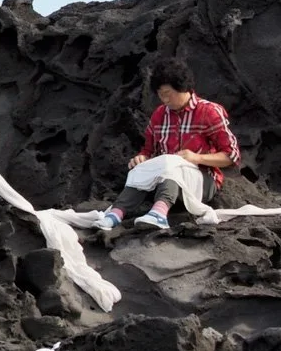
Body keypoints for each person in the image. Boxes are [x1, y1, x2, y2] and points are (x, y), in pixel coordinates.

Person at [94, 57, 241, 232]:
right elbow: (149, 151)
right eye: (160, 95)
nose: (164, 100)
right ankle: (115, 214)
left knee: (172, 166)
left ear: (182, 87)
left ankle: (159, 213)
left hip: (203, 179)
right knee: (143, 168)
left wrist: (196, 157)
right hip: (166, 177)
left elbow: (232, 156)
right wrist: (142, 158)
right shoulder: (160, 115)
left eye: (167, 94)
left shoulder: (209, 112)